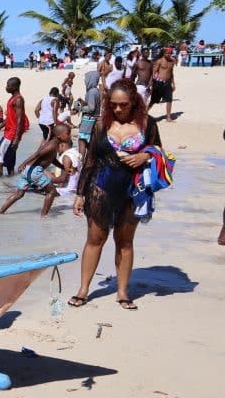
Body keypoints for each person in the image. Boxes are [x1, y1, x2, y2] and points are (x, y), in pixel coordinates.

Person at [69, 81, 162, 310]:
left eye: (123, 105)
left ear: (134, 102)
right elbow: (90, 160)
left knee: (125, 242)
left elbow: (159, 151)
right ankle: (83, 289)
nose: (118, 109)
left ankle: (122, 292)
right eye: (114, 105)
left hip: (133, 190)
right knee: (95, 240)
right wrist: (80, 194)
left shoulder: (147, 124)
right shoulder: (102, 124)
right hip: (100, 188)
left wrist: (144, 157)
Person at [0, 124, 72, 217]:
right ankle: (44, 216)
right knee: (52, 191)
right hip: (35, 171)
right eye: (68, 134)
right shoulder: (52, 145)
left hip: (28, 170)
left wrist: (63, 167)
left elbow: (52, 159)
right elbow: (37, 154)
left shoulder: (53, 144)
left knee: (19, 194)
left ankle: (0, 211)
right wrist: (24, 163)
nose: (70, 136)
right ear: (59, 136)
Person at [0, 77, 28, 176]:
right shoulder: (12, 99)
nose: (6, 87)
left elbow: (20, 120)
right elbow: (11, 118)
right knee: (10, 160)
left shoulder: (18, 100)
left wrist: (16, 138)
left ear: (15, 87)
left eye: (8, 85)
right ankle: (9, 185)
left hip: (11, 133)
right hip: (10, 132)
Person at [150, 49, 176, 122]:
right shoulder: (160, 61)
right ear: (164, 53)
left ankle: (168, 117)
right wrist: (151, 83)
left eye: (170, 53)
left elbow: (171, 73)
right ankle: (144, 114)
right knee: (153, 101)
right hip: (159, 83)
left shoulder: (171, 62)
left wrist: (173, 84)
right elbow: (154, 72)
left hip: (168, 83)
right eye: (167, 53)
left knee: (169, 100)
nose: (169, 55)